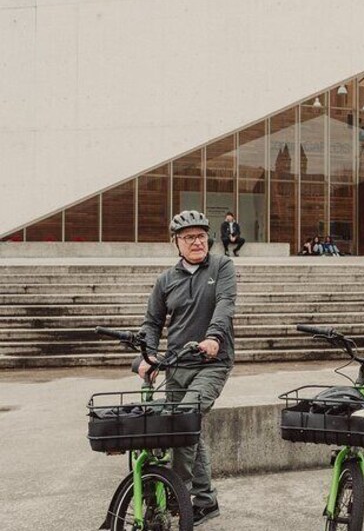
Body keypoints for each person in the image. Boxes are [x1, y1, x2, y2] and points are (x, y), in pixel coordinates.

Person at [137, 209, 236, 526]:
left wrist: (214, 337)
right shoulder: (166, 280)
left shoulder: (222, 266)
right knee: (187, 430)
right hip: (177, 365)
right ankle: (206, 501)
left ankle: (176, 494)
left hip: (212, 362)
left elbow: (225, 304)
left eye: (202, 235)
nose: (197, 241)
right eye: (189, 237)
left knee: (184, 418)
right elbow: (152, 323)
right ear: (176, 242)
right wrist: (148, 356)